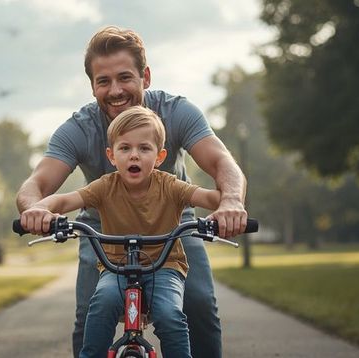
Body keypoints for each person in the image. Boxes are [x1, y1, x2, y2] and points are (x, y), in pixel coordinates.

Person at [16, 26, 248, 358]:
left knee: (199, 305)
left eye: (125, 77)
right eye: (103, 81)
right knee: (89, 316)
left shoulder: (176, 112)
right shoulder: (79, 128)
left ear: (146, 77)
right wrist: (33, 210)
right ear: (93, 85)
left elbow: (222, 162)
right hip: (102, 228)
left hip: (173, 223)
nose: (115, 90)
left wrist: (229, 202)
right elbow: (36, 184)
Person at [21, 106, 223, 357]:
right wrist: (39, 209)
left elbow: (211, 198)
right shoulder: (105, 186)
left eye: (144, 148)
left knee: (170, 315)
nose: (134, 156)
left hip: (165, 267)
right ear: (112, 156)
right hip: (115, 266)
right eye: (125, 148)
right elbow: (63, 201)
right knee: (101, 304)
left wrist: (227, 208)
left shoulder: (170, 186)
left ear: (159, 156)